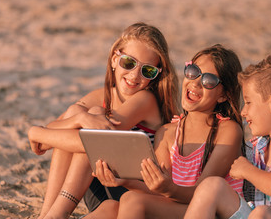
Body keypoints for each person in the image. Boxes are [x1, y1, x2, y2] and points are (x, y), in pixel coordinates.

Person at [27, 22, 180, 219]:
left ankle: (56, 215)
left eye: (147, 70)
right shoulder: (103, 95)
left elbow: (52, 137)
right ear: (115, 59)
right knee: (80, 113)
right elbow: (51, 134)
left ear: (157, 74)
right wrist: (80, 118)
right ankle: (46, 214)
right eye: (129, 63)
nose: (135, 75)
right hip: (101, 181)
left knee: (92, 136)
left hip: (134, 189)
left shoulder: (146, 100)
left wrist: (36, 132)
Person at [90, 44, 244, 219]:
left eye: (208, 81)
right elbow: (157, 191)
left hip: (211, 211)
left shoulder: (228, 131)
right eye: (192, 71)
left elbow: (204, 193)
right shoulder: (167, 132)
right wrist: (124, 181)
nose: (195, 83)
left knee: (133, 201)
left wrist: (169, 188)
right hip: (178, 208)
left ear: (224, 95)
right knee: (110, 207)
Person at [184, 54, 271, 219]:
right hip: (258, 214)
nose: (243, 112)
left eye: (248, 102)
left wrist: (247, 170)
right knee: (211, 186)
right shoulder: (259, 144)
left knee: (261, 213)